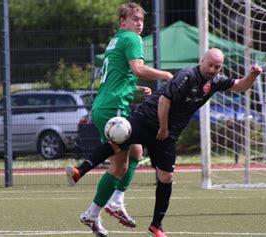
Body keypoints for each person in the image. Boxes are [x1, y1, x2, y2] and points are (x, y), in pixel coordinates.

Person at [79, 48, 262, 237]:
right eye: (210, 65)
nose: (213, 69)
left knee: (166, 177)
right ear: (202, 60)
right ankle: (80, 172)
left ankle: (155, 226)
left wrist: (252, 76)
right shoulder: (187, 76)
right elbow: (164, 101)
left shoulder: (216, 80)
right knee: (117, 143)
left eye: (217, 66)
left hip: (167, 134)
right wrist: (164, 128)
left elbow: (240, 86)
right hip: (148, 120)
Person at [65, 3, 173, 236]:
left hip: (106, 106)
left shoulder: (116, 40)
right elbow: (138, 68)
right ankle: (93, 214)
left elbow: (118, 77)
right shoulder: (132, 39)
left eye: (141, 19)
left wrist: (136, 89)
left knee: (136, 153)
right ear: (122, 21)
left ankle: (115, 201)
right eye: (134, 19)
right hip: (113, 109)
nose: (139, 23)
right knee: (119, 166)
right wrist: (165, 74)